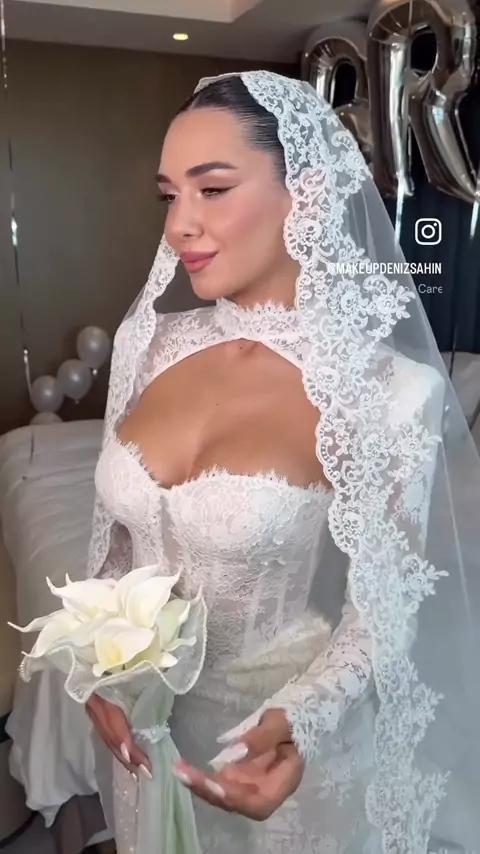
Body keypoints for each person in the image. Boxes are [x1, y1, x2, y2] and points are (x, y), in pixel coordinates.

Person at [84, 71, 480, 853]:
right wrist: (100, 666)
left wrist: (305, 718)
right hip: (152, 752)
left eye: (213, 189)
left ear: (308, 194)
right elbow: (118, 549)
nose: (179, 226)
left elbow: (387, 607)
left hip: (280, 763)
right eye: (170, 195)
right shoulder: (149, 347)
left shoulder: (393, 391)